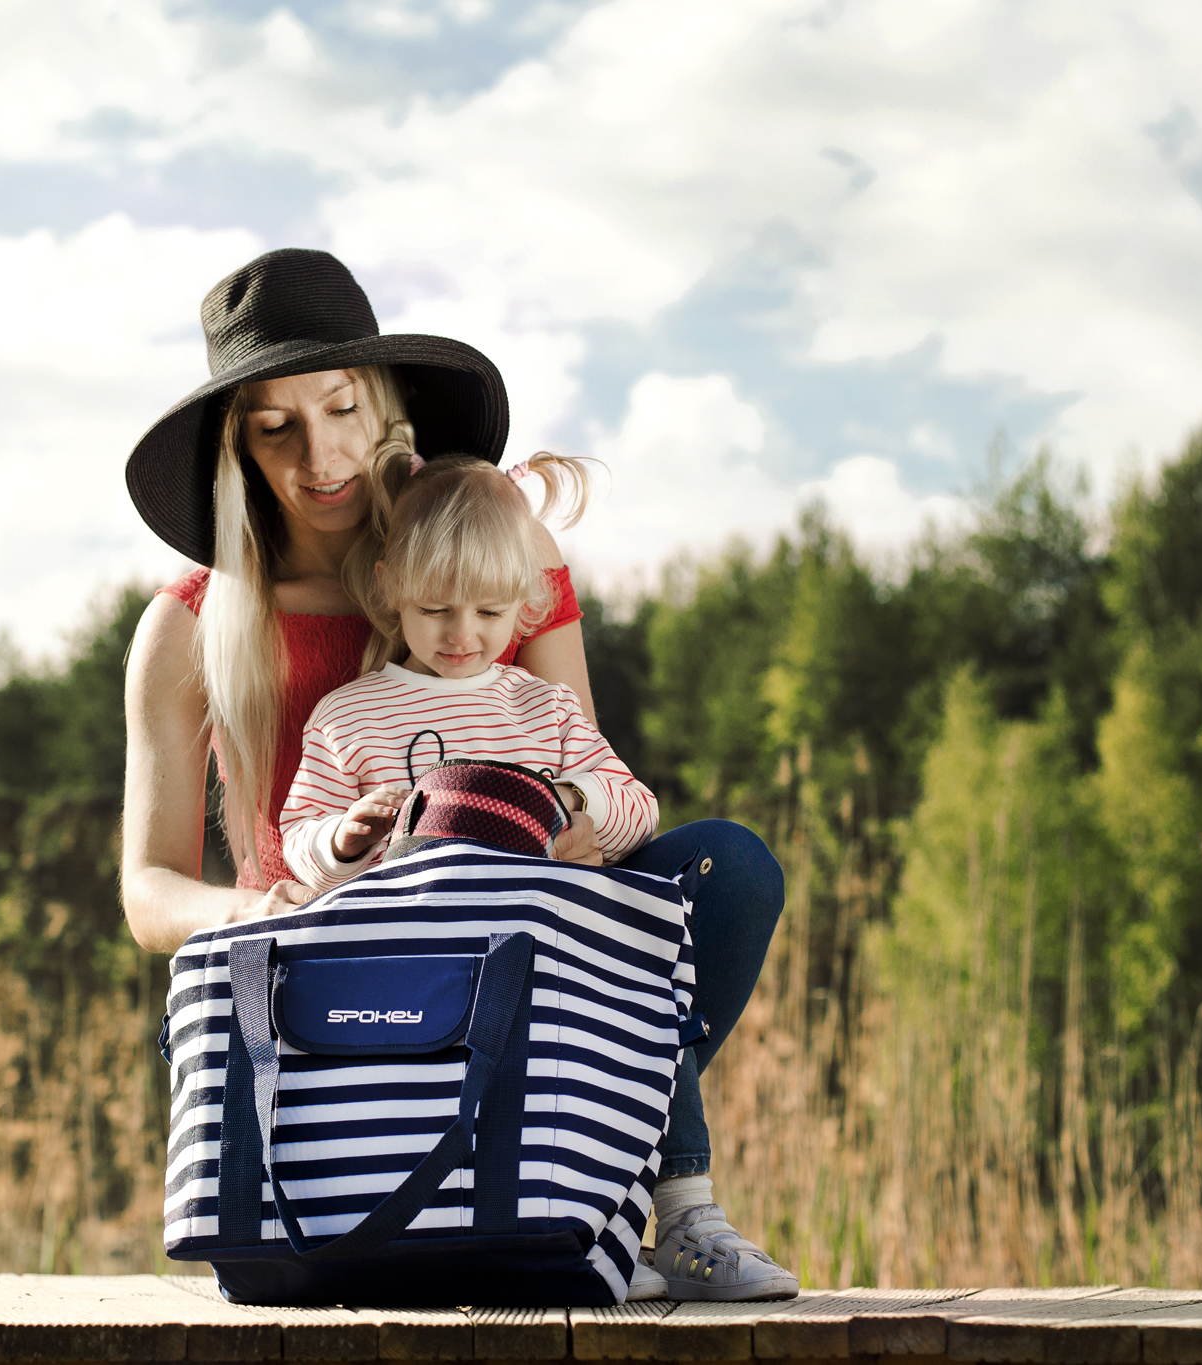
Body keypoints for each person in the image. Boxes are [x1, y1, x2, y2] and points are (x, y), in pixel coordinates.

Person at [120, 247, 794, 1300]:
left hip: (502, 947)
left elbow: (580, 767)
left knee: (728, 868)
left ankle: (631, 1192)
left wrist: (582, 830)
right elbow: (148, 892)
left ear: (381, 402)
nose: (320, 454)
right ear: (235, 448)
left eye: (340, 406)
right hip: (315, 982)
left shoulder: (497, 555)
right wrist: (274, 903)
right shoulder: (189, 624)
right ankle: (487, 1179)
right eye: (274, 426)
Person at [279, 452, 659, 890]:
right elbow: (300, 838)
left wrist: (567, 797)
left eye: (490, 612)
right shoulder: (347, 718)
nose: (461, 635)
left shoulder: (546, 708)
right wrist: (340, 840)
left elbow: (640, 812)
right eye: (435, 609)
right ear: (390, 586)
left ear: (524, 599)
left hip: (532, 929)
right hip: (413, 937)